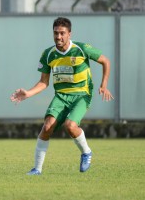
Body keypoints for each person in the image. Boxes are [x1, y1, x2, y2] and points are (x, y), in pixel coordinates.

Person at [10, 17, 114, 175]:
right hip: (61, 96)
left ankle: (86, 152)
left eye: (62, 33)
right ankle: (37, 169)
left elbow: (105, 61)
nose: (58, 37)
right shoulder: (48, 54)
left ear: (69, 34)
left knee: (70, 126)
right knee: (46, 127)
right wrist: (28, 93)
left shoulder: (81, 48)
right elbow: (44, 82)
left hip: (82, 94)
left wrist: (104, 85)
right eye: (55, 33)